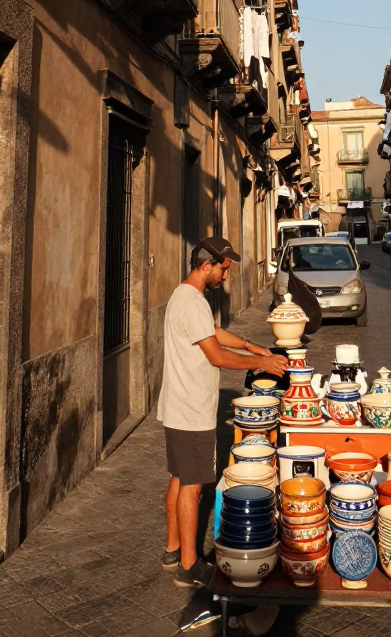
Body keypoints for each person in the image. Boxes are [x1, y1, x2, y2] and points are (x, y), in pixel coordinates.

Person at [158, 236, 288, 587]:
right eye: (224, 269)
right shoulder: (193, 302)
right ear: (206, 265)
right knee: (193, 486)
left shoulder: (184, 295)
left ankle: (173, 549)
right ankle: (188, 566)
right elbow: (215, 355)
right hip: (191, 410)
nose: (226, 276)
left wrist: (252, 346)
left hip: (177, 407)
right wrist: (263, 363)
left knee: (179, 476)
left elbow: (212, 333)